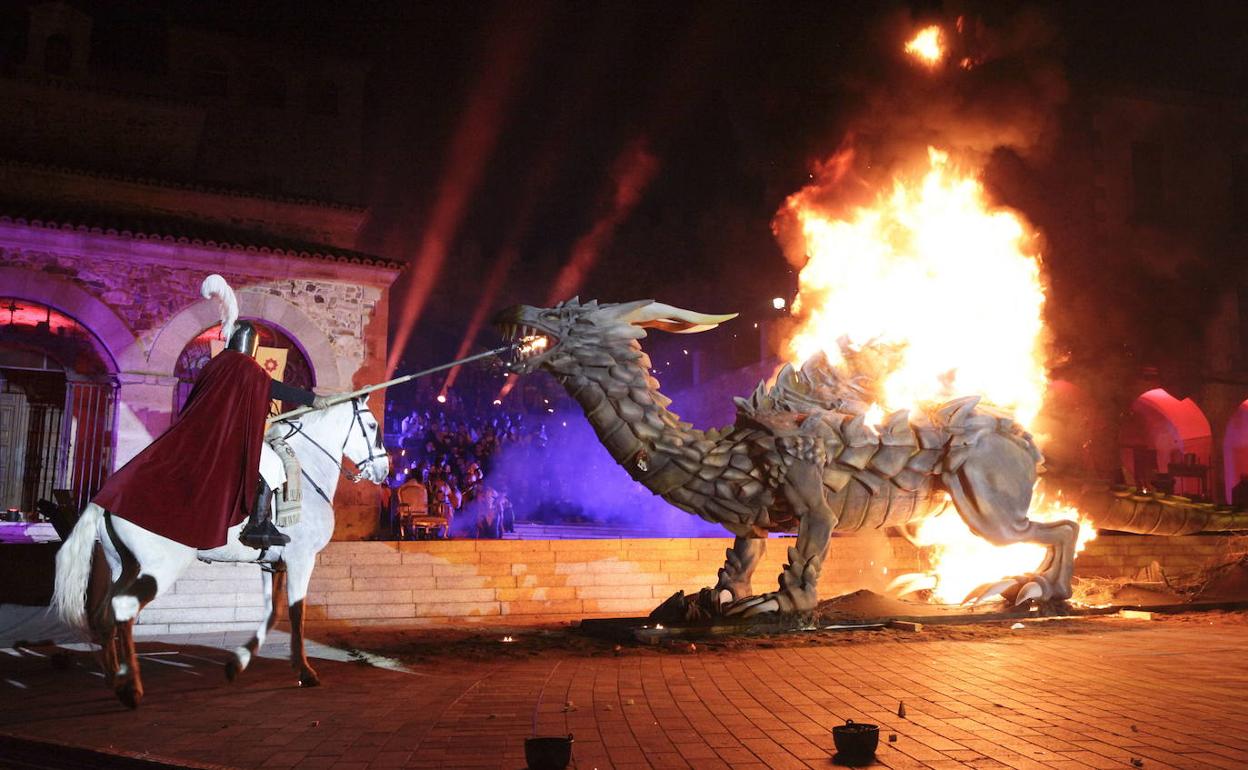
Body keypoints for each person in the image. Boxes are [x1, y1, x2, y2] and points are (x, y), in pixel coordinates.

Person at [92, 275, 328, 550]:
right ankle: (257, 526)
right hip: (226, 442)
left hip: (201, 437)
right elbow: (273, 387)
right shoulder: (245, 367)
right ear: (251, 345)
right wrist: (311, 399)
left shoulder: (215, 365)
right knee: (273, 466)